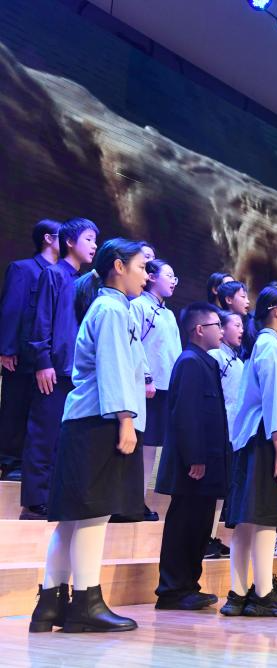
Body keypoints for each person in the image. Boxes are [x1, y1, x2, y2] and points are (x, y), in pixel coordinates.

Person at [30, 238, 148, 633]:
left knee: (72, 519)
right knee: (93, 515)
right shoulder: (111, 309)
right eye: (141, 267)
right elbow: (113, 368)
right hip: (99, 421)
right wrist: (126, 418)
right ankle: (85, 602)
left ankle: (50, 604)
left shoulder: (109, 307)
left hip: (86, 420)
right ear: (119, 266)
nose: (146, 276)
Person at [221, 286, 277, 617]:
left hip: (256, 438)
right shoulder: (270, 347)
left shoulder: (267, 346)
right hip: (266, 439)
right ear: (276, 310)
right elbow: (273, 400)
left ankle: (238, 594)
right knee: (263, 517)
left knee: (248, 520)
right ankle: (262, 594)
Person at [21, 219, 99, 519]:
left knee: (66, 437)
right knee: (43, 434)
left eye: (95, 240)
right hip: (53, 367)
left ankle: (55, 496)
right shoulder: (53, 274)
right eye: (89, 239)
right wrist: (43, 361)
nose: (94, 245)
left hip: (76, 372)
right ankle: (35, 501)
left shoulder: (87, 282)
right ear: (69, 242)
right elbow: (41, 320)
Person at [154, 303, 229, 610]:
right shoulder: (189, 362)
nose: (222, 331)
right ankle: (172, 590)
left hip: (207, 462)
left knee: (198, 527)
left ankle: (188, 586)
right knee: (184, 525)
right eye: (216, 325)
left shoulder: (204, 362)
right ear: (199, 330)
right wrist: (195, 456)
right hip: (193, 464)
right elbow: (186, 414)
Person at [0, 219, 60, 481]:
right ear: (48, 238)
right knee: (15, 406)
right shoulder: (23, 268)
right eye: (62, 236)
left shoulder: (63, 274)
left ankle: (31, 465)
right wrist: (6, 348)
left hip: (49, 357)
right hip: (22, 354)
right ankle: (9, 462)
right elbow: (11, 309)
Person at [131, 259, 182, 521]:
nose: (173, 281)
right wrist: (146, 377)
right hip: (145, 388)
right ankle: (128, 501)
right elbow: (134, 345)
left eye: (175, 277)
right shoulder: (138, 306)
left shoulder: (169, 314)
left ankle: (137, 500)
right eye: (169, 275)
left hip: (165, 389)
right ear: (151, 277)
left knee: (151, 447)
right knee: (138, 444)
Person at [204, 310, 244, 559]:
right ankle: (202, 537)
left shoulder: (239, 362)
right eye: (236, 325)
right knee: (211, 487)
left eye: (242, 325)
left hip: (233, 433)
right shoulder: (215, 356)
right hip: (216, 430)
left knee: (222, 488)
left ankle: (209, 536)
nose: (241, 330)